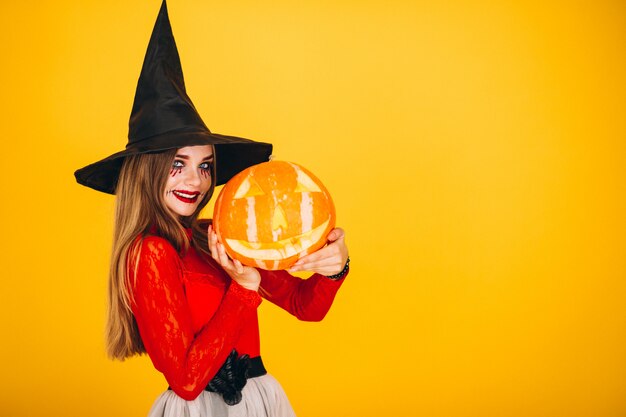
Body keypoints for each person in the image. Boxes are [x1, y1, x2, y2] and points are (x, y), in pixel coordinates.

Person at [74, 2, 348, 416]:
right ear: (145, 171)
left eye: (205, 166)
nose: (196, 181)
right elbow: (186, 381)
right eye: (177, 164)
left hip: (258, 402)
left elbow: (303, 306)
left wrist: (335, 268)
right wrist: (242, 288)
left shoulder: (217, 236)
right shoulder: (149, 254)